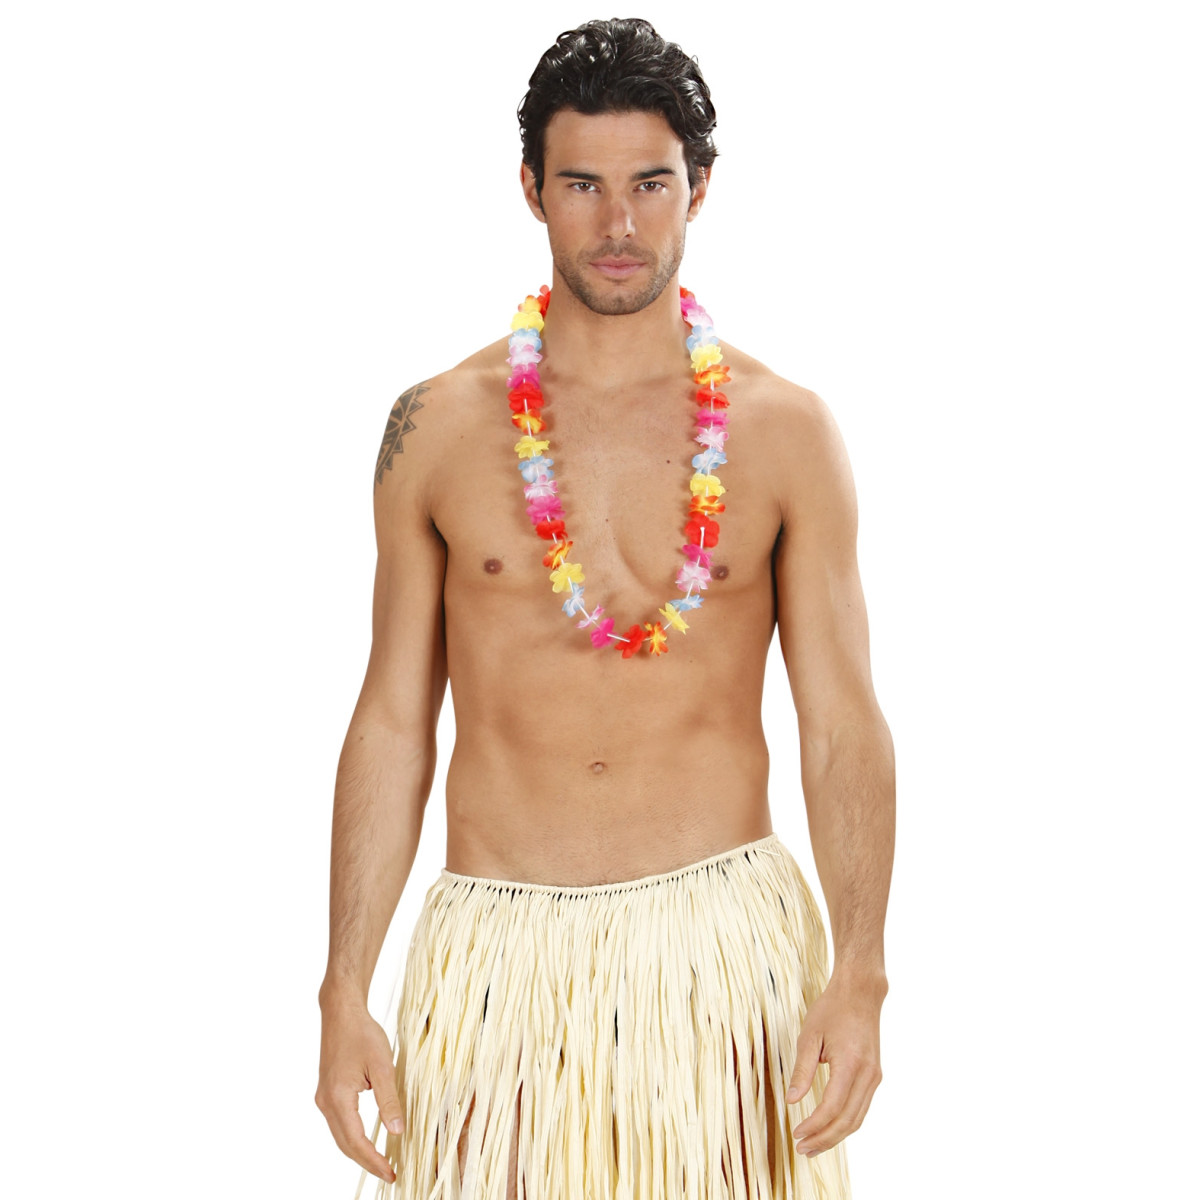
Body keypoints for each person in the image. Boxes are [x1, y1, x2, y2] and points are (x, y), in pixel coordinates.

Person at [315, 16, 894, 1199]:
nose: (619, 224)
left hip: (720, 960)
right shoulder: (437, 427)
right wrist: (343, 987)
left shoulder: (787, 433)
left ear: (700, 189)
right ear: (531, 189)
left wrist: (862, 972)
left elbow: (841, 722)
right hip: (497, 959)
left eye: (650, 184)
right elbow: (391, 719)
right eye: (582, 184)